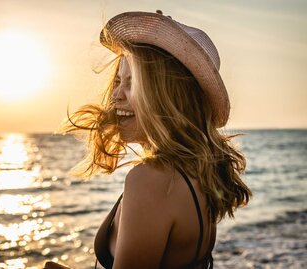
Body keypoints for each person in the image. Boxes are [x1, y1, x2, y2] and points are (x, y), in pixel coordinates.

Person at [45, 10, 252, 269]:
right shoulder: (197, 173)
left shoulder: (151, 180)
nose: (116, 95)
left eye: (132, 84)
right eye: (118, 81)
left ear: (166, 96)